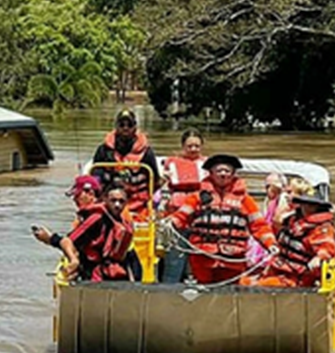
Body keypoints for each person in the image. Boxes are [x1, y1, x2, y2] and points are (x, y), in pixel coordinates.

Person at [168, 154, 277, 286]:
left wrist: (271, 244)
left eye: (227, 171)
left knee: (230, 294)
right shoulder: (197, 197)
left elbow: (259, 226)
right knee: (203, 293)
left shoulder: (245, 200)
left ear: (233, 174)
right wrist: (170, 224)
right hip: (202, 258)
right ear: (211, 173)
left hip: (233, 260)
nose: (223, 174)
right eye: (219, 171)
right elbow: (181, 217)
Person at [34, 184, 135, 282]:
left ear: (126, 203)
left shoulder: (121, 223)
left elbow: (68, 241)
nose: (117, 205)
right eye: (113, 201)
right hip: (100, 274)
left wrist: (50, 238)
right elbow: (70, 241)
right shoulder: (99, 219)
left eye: (121, 201)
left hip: (106, 274)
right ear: (105, 199)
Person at [244, 193, 335, 288]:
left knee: (256, 285)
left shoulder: (323, 228)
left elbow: (327, 248)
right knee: (243, 281)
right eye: (304, 203)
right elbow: (275, 227)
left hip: (296, 277)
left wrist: (319, 258)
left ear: (319, 207)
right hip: (277, 269)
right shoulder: (293, 220)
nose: (306, 207)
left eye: (311, 205)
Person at [91, 108, 160, 221]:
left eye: (129, 125)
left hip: (137, 204)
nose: (125, 128)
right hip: (109, 202)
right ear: (116, 127)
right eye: (122, 124)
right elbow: (95, 177)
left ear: (135, 127)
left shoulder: (146, 153)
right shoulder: (104, 150)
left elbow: (154, 180)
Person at [159, 130, 208, 283]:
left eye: (197, 146)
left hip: (199, 218)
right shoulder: (171, 164)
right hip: (176, 217)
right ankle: (168, 289)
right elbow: (158, 185)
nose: (193, 149)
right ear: (182, 146)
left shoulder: (208, 165)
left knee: (196, 259)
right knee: (174, 259)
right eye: (189, 146)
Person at [246, 172, 286, 266]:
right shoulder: (268, 201)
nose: (267, 190)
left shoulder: (282, 198)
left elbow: (278, 220)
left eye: (269, 186)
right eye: (266, 187)